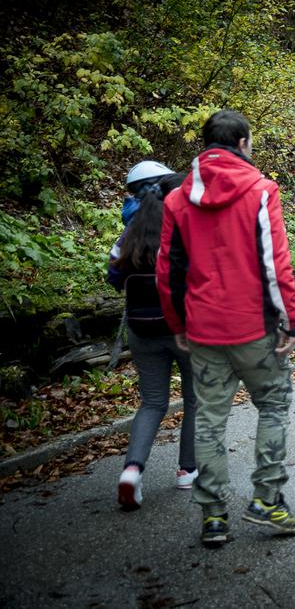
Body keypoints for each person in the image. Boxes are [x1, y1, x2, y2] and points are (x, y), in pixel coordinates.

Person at [156, 109, 295, 548]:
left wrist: (177, 322)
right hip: (253, 326)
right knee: (274, 405)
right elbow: (275, 264)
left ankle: (214, 516)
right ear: (242, 142)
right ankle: (267, 499)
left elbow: (168, 270)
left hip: (202, 329)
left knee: (208, 420)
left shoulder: (177, 199)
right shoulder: (260, 191)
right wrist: (290, 320)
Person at [109, 165, 196, 511]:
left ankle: (132, 470)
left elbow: (113, 277)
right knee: (194, 399)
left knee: (152, 403)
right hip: (183, 331)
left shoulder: (126, 237)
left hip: (141, 331)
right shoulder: (180, 231)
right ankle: (187, 470)